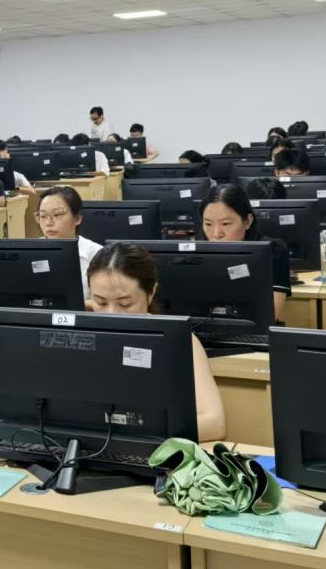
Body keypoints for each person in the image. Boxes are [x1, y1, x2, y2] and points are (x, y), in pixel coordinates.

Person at [86, 242, 226, 441]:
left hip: (150, 450)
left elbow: (215, 424)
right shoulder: (76, 335)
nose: (111, 314)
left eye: (125, 304)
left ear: (151, 293)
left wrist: (134, 435)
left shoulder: (177, 341)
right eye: (100, 302)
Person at [197, 185, 291, 322]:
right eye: (208, 224)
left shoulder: (272, 251)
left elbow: (269, 316)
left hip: (252, 333)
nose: (216, 234)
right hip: (198, 331)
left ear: (247, 221)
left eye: (226, 224)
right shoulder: (194, 255)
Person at [35, 186, 102, 303]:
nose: (48, 222)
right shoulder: (31, 251)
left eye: (57, 214)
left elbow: (103, 303)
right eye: (43, 216)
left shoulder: (97, 255)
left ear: (77, 218)